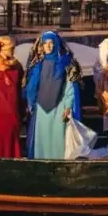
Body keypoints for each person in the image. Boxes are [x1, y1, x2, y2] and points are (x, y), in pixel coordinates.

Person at [24, 31, 82, 159]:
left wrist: (68, 106)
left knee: (57, 139)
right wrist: (31, 103)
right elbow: (32, 87)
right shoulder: (37, 65)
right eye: (45, 43)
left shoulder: (65, 63)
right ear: (42, 46)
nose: (49, 46)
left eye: (51, 43)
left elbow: (69, 86)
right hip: (41, 109)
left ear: (56, 44)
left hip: (59, 108)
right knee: (42, 139)